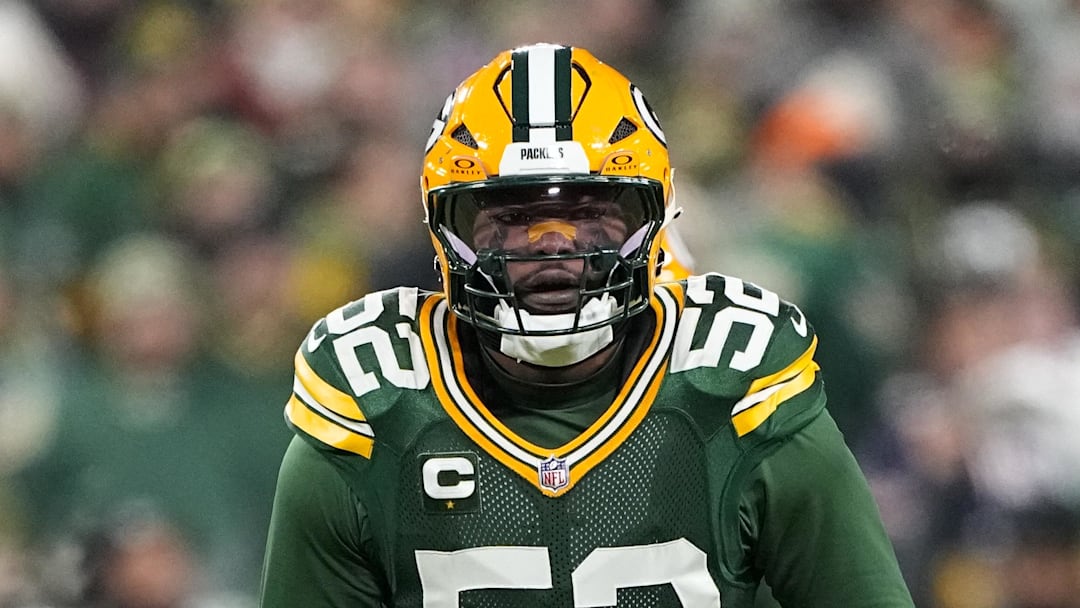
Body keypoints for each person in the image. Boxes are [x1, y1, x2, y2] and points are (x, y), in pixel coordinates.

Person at [259, 43, 914, 608]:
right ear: (447, 231)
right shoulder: (371, 411)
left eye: (591, 213)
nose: (552, 245)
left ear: (652, 220)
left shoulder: (739, 390)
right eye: (510, 217)